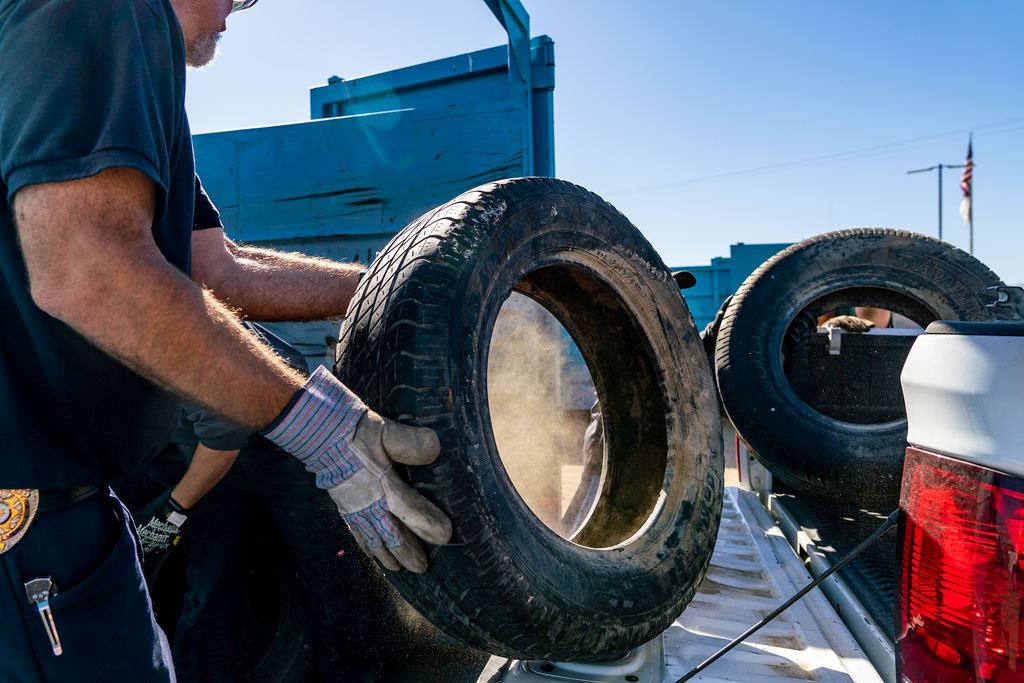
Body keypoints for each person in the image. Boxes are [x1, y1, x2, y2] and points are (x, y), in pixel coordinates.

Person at [0, 1, 450, 680]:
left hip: (68, 512)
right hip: (27, 533)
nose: (234, 16)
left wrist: (384, 288)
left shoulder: (125, 85)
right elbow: (86, 269)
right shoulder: (110, 11)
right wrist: (318, 425)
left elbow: (217, 269)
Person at [117, 321, 382, 682]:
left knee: (329, 575)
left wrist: (173, 510)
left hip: (289, 440)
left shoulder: (160, 336)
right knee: (207, 586)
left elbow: (223, 436)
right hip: (213, 448)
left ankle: (354, 676)